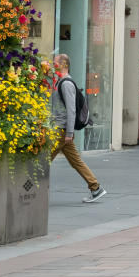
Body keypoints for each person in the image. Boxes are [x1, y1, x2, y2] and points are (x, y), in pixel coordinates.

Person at [49, 53, 107, 203]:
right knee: (76, 161)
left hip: (60, 130)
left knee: (42, 161)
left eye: (55, 62)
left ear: (63, 65)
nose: (52, 64)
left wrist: (69, 132)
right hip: (61, 130)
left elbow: (71, 109)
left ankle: (35, 190)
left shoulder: (66, 83)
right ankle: (95, 187)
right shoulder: (59, 82)